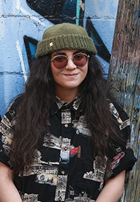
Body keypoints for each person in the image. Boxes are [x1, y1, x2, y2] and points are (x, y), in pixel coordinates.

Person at [0, 23, 136, 202]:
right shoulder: (21, 111)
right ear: (46, 65)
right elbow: (3, 175)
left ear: (88, 61)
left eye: (78, 57)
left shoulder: (111, 115)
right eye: (60, 59)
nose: (71, 66)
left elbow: (116, 178)